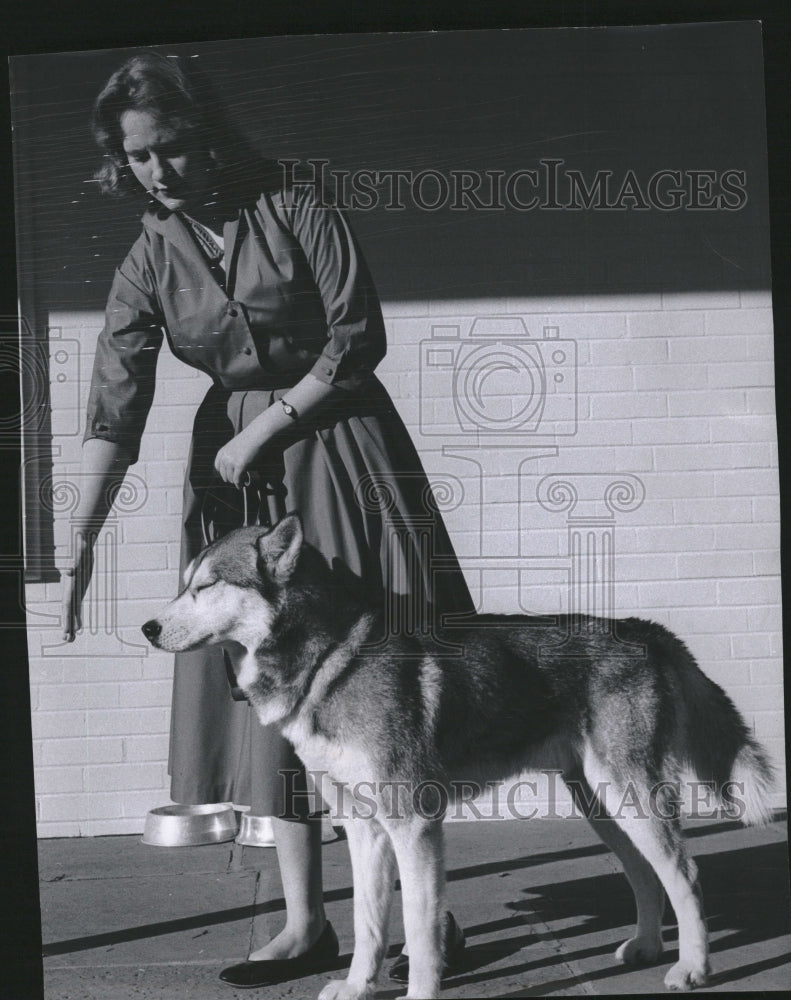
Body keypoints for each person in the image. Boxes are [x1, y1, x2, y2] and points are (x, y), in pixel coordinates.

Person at [61, 51, 471, 988]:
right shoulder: (149, 254)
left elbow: (356, 333)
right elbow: (115, 399)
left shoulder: (295, 203)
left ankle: (428, 919)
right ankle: (303, 922)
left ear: (210, 136)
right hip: (232, 474)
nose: (159, 172)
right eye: (137, 158)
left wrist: (270, 427)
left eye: (172, 148)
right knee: (269, 680)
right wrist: (80, 535)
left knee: (388, 674)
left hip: (341, 443)